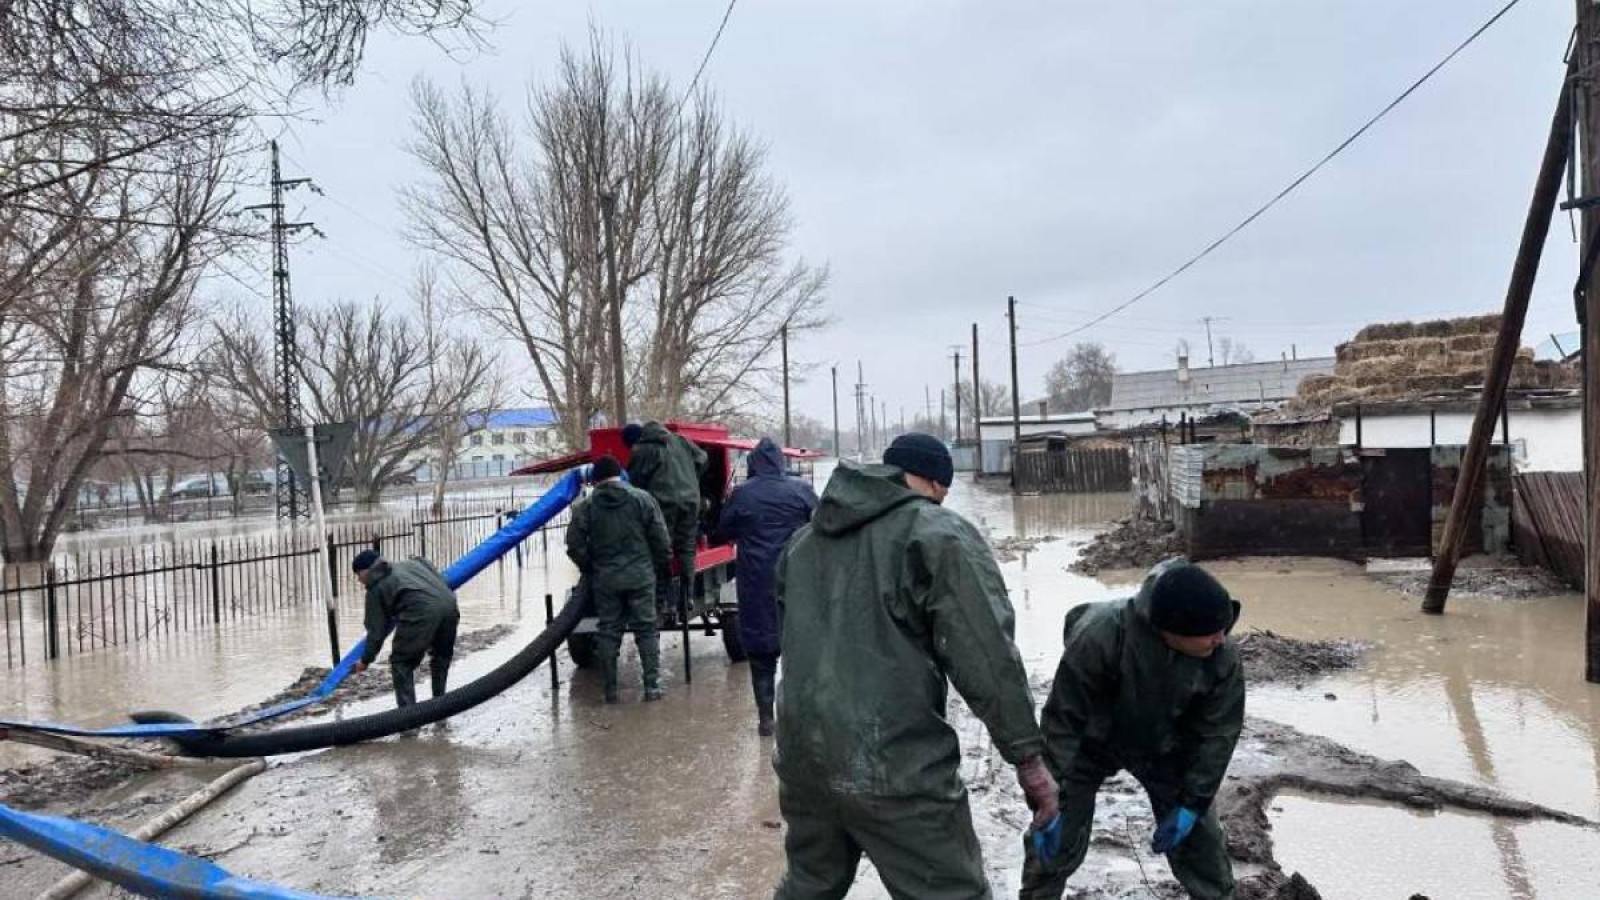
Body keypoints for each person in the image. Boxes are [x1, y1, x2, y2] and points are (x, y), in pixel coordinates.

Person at [772, 433, 1059, 900]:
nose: (941, 500)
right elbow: (986, 656)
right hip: (894, 766)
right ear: (932, 483)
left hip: (803, 759)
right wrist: (1027, 758)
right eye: (942, 491)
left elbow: (795, 639)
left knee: (808, 887)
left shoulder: (803, 542)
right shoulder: (935, 532)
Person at [1019, 558, 1245, 900]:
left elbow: (1218, 735)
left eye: (1223, 628)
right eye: (1210, 633)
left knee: (1202, 843)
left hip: (1165, 745)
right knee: (1054, 840)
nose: (1220, 639)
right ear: (1170, 631)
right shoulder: (1100, 636)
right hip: (1090, 743)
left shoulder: (1221, 654)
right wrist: (1047, 800)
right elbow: (1063, 723)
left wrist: (1193, 803)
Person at [716, 437, 817, 736]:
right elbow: (822, 525)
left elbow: (724, 531)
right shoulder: (802, 491)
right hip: (797, 580)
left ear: (753, 464)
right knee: (799, 651)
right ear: (781, 463)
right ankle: (799, 720)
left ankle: (766, 719)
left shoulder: (742, 494)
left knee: (761, 654)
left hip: (755, 581)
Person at [565, 454, 672, 703]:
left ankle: (610, 691)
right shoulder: (642, 499)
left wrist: (591, 566)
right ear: (619, 475)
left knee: (609, 631)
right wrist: (658, 568)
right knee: (646, 629)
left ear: (595, 480)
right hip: (640, 576)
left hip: (606, 579)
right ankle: (652, 687)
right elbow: (661, 540)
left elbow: (574, 546)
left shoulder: (585, 507)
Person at [352, 550, 461, 708]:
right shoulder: (412, 564)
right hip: (450, 605)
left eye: (358, 575)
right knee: (441, 657)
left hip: (421, 613)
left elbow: (376, 632)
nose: (359, 580)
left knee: (401, 663)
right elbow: (435, 573)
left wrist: (365, 660)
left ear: (365, 571)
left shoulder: (375, 587)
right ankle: (440, 704)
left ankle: (408, 715)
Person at [622, 421, 707, 618]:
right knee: (687, 548)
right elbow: (703, 458)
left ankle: (665, 599)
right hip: (691, 501)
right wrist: (692, 477)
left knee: (662, 549)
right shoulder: (681, 440)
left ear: (635, 441)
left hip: (663, 504)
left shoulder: (643, 450)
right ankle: (688, 597)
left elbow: (634, 483)